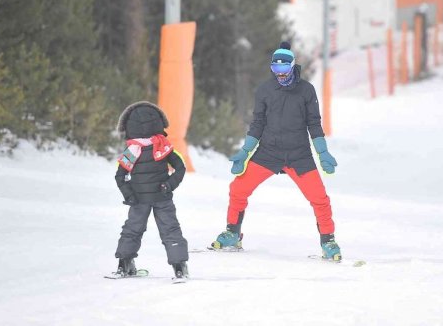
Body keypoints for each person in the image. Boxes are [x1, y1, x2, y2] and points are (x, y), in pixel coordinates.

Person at [210, 42, 342, 261]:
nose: (279, 73)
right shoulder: (264, 90)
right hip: (268, 153)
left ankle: (328, 241)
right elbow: (258, 123)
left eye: (284, 68)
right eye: (275, 69)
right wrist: (245, 152)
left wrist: (322, 153)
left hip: (299, 155)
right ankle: (233, 233)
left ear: (292, 66)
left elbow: (314, 123)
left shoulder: (306, 90)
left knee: (319, 198)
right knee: (238, 188)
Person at [113, 101, 189, 280]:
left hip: (138, 199)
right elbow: (181, 167)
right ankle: (179, 267)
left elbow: (120, 176)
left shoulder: (131, 150)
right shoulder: (164, 146)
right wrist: (169, 185)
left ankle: (124, 264)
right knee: (171, 230)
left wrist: (129, 194)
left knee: (132, 229)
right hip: (162, 197)